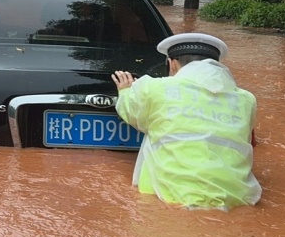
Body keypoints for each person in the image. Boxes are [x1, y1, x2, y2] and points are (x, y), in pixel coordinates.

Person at [112, 33, 261, 210]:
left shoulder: (153, 88)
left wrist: (126, 91)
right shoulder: (247, 99)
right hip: (237, 201)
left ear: (172, 64)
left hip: (173, 198)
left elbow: (131, 112)